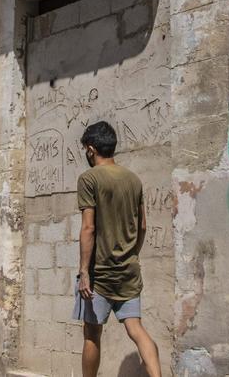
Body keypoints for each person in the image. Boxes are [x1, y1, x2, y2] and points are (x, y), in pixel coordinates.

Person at [73, 121, 161, 377]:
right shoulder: (133, 179)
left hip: (99, 274)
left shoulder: (88, 179)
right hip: (128, 272)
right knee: (136, 328)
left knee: (92, 333)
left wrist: (84, 272)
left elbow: (88, 228)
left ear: (91, 149)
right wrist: (133, 255)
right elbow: (143, 225)